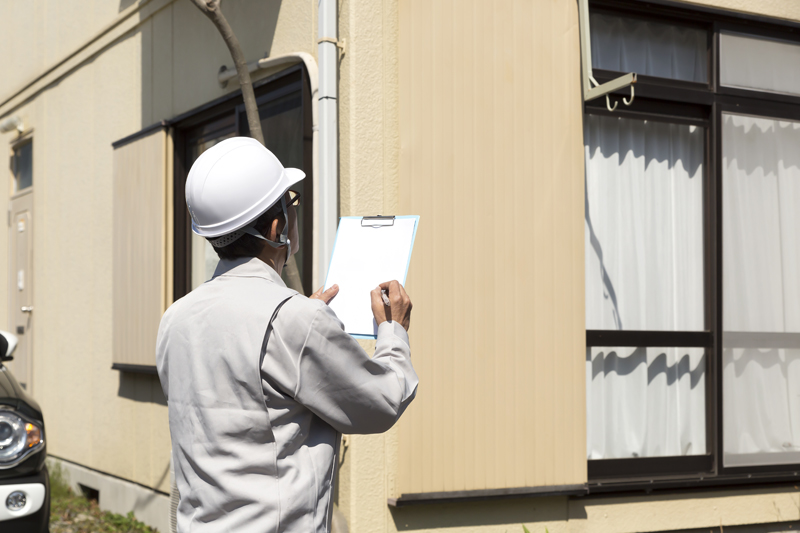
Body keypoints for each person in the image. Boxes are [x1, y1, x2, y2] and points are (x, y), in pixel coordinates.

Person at [155, 137, 418, 533]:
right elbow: (380, 401)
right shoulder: (292, 322)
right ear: (278, 225)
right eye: (290, 203)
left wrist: (301, 321)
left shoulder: (176, 318)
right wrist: (393, 331)